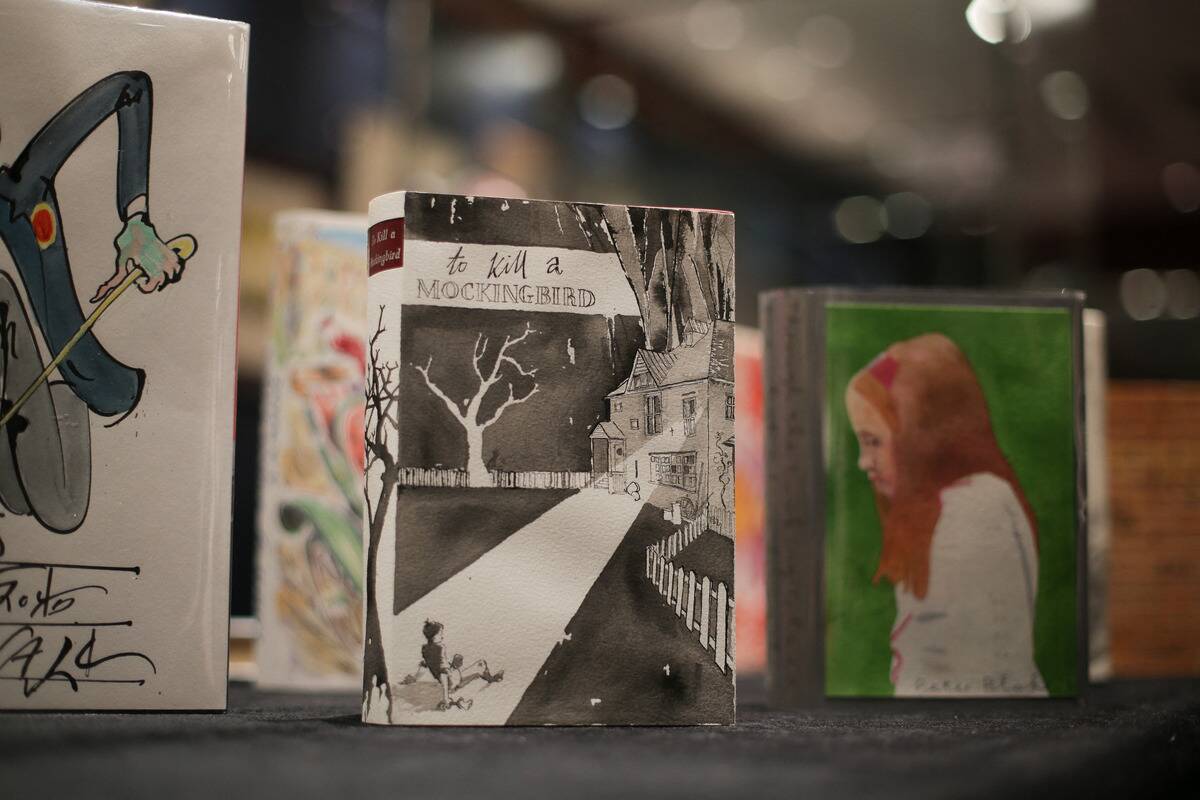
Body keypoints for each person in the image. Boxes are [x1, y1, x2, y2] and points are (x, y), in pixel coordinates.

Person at [0, 71, 192, 532]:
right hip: (44, 417)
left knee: (59, 509)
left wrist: (137, 219)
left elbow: (131, 89)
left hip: (88, 401)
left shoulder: (18, 198)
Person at [845, 333, 1046, 697]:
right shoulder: (952, 505)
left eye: (873, 441)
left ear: (923, 432)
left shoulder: (969, 510)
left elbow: (950, 665)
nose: (863, 462)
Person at [401, 620, 502, 710]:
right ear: (434, 636)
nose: (442, 636)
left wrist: (414, 678)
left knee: (476, 672)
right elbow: (443, 673)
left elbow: (424, 665)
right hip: (453, 680)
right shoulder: (440, 648)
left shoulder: (425, 649)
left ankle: (489, 679)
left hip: (452, 679)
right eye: (440, 633)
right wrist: (446, 698)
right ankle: (491, 679)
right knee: (481, 663)